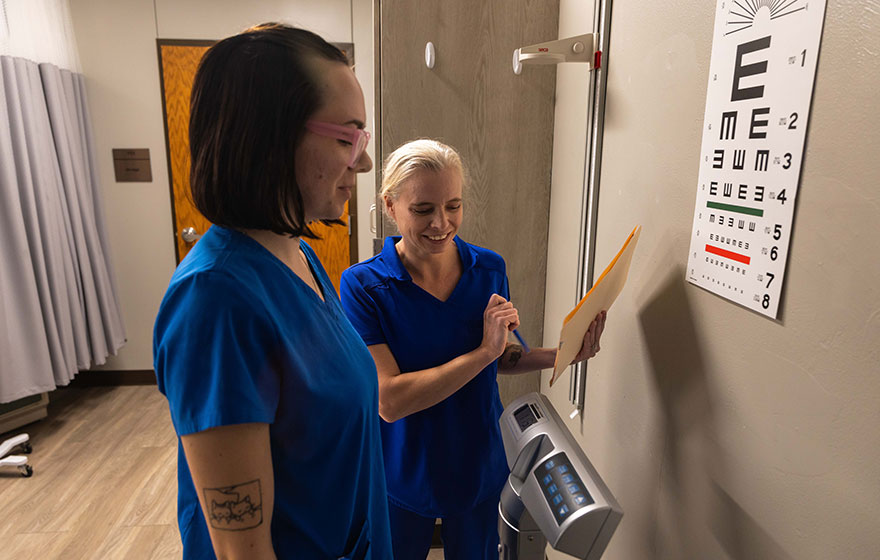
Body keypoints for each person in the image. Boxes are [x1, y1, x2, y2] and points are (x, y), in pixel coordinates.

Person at [153, 24, 391, 559]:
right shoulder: (216, 303)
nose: (365, 162)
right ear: (269, 136)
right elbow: (245, 552)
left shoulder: (296, 254)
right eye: (346, 138)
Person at [339, 139, 606, 559]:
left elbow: (501, 357)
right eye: (423, 209)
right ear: (390, 207)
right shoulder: (363, 286)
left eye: (453, 205)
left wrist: (564, 354)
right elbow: (389, 400)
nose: (441, 223)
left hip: (478, 463)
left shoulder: (488, 269)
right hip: (402, 467)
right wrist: (482, 352)